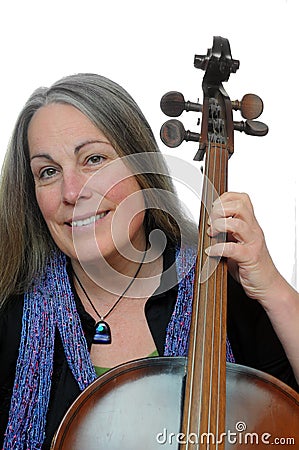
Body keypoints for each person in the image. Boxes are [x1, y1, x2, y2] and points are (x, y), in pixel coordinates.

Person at [0, 73, 298, 449]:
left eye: (94, 159)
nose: (72, 192)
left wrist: (273, 288)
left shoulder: (223, 286)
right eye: (48, 172)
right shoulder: (11, 316)